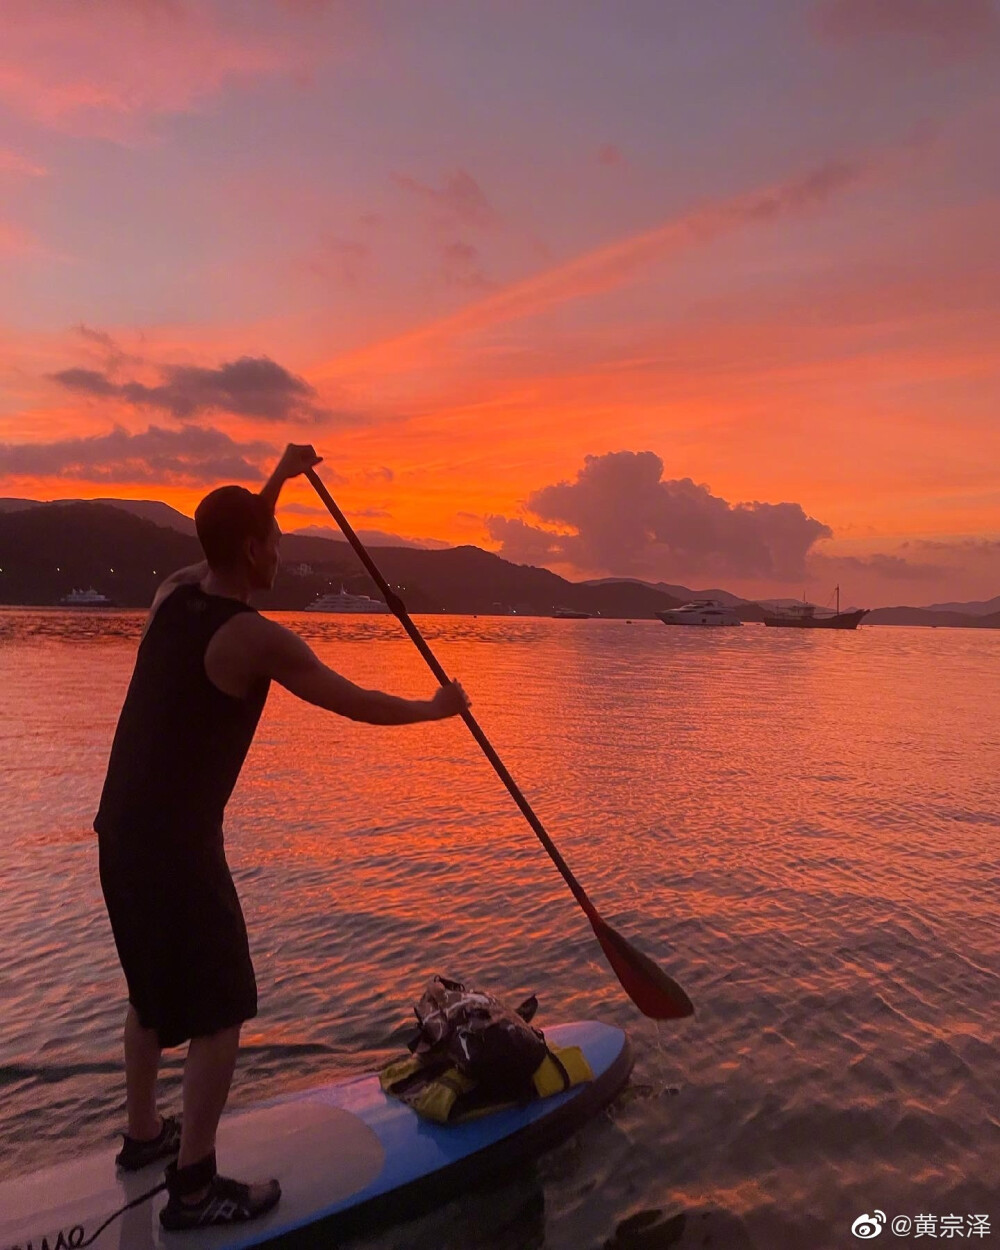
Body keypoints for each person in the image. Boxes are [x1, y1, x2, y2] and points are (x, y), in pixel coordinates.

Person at [94, 443, 470, 1231]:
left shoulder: (171, 594)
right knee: (221, 1010)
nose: (282, 551)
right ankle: (193, 1190)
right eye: (274, 542)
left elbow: (225, 543)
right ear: (253, 552)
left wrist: (277, 477)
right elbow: (356, 700)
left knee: (151, 1000)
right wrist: (436, 711)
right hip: (176, 849)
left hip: (118, 832)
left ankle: (142, 1139)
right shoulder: (255, 638)